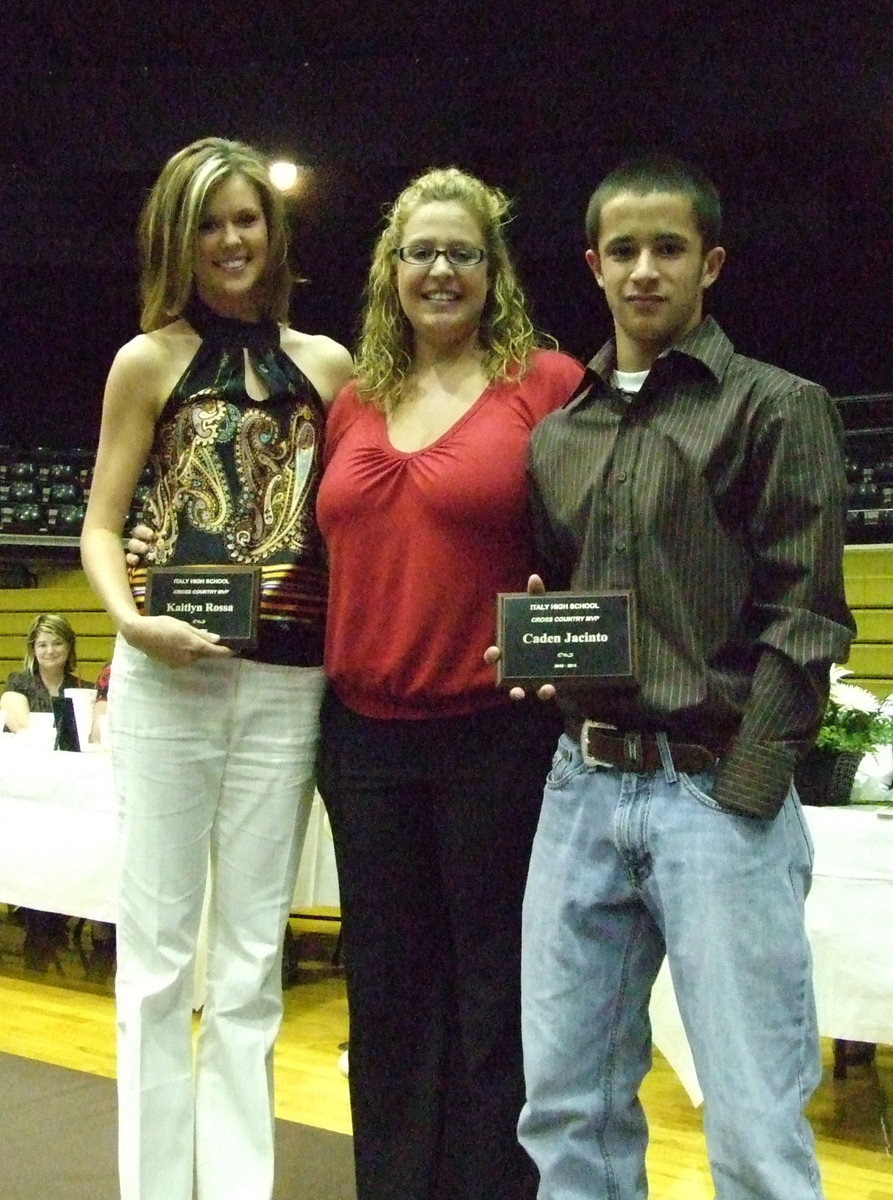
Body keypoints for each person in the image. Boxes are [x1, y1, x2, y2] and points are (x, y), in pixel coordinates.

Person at [503, 154, 856, 1200]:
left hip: (716, 795)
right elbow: (564, 600)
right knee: (565, 1107)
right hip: (579, 789)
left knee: (750, 1123)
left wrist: (741, 792)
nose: (643, 270)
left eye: (666, 250)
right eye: (623, 251)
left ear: (709, 264)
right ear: (592, 266)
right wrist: (535, 657)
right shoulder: (556, 436)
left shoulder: (776, 409)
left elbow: (806, 620)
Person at [80, 136, 352, 1200]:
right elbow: (103, 528)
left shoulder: (328, 366)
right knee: (154, 961)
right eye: (208, 222)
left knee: (247, 964)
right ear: (176, 239)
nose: (230, 239)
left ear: (273, 232)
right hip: (165, 680)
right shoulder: (146, 360)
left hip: (287, 685)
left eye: (246, 219)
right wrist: (130, 624)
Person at [315, 166, 584, 1200]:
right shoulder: (352, 404)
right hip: (364, 742)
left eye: (459, 253)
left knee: (494, 990)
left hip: (494, 740)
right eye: (419, 252)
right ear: (391, 270)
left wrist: (561, 645)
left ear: (491, 269)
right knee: (384, 992)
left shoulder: (546, 385)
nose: (438, 270)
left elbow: (598, 536)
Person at [0, 612, 80, 732]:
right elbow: (23, 729)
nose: (50, 651)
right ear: (33, 650)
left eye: (57, 643)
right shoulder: (18, 683)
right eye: (42, 645)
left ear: (69, 647)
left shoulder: (83, 689)